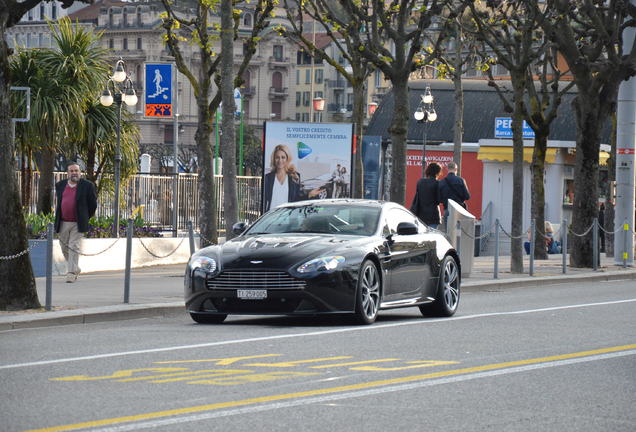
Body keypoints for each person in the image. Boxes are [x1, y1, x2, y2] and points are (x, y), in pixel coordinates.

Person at [54, 162, 97, 283]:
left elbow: (93, 204)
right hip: (63, 221)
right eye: (71, 171)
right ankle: (75, 267)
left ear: (80, 172)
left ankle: (71, 273)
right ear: (68, 173)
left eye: (76, 171)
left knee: (73, 246)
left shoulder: (87, 186)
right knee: (64, 247)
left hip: (78, 222)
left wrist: (85, 216)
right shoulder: (60, 185)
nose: (74, 173)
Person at [263, 145, 321, 212]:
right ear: (274, 159)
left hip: (288, 219)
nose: (280, 160)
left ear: (287, 159)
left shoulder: (295, 177)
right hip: (271, 219)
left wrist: (309, 195)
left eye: (283, 157)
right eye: (277, 157)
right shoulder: (268, 178)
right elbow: (264, 201)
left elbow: (296, 200)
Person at [410, 162, 442, 229]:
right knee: (432, 236)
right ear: (437, 172)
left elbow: (417, 197)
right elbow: (438, 201)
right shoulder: (437, 184)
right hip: (433, 216)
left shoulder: (420, 182)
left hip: (420, 215)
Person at [439, 161, 470, 227]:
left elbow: (439, 199)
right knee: (459, 232)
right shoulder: (461, 180)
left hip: (447, 209)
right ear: (456, 169)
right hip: (459, 209)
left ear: (447, 169)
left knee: (448, 232)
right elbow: (467, 196)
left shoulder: (441, 182)